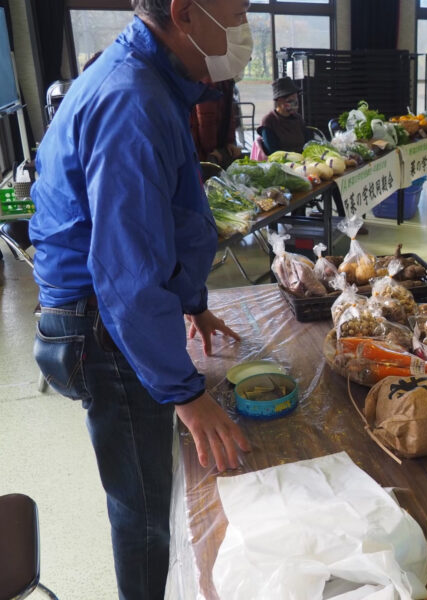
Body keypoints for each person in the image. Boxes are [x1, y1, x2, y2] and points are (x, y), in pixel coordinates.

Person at [28, 1, 253, 598]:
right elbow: (124, 276)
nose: (244, 28)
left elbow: (163, 218)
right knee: (144, 507)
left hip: (105, 313)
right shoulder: (132, 98)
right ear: (185, 12)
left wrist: (191, 300)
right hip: (100, 325)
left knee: (152, 485)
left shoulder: (151, 78)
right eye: (237, 11)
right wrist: (186, 393)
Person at [190, 77, 242, 167]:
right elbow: (206, 119)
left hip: (218, 144)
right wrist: (210, 150)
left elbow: (229, 113)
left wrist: (229, 141)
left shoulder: (226, 81)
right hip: (202, 149)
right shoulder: (209, 80)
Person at [258, 76, 311, 155]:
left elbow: (308, 142)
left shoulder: (298, 118)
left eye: (296, 99)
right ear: (279, 101)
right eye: (290, 100)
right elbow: (273, 152)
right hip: (282, 162)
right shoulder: (268, 121)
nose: (295, 104)